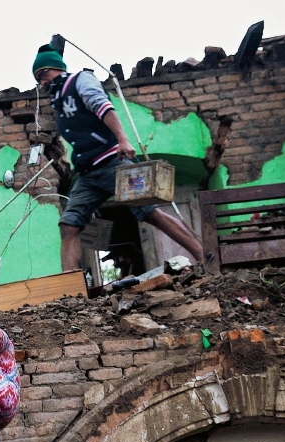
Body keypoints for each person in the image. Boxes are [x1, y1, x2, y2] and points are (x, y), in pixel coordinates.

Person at [32, 45, 206, 274]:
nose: (42, 83)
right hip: (86, 174)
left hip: (112, 162)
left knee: (149, 213)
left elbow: (103, 106)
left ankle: (203, 257)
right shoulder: (60, 103)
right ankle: (69, 288)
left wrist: (123, 140)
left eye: (43, 75)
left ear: (56, 68)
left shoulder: (81, 81)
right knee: (69, 225)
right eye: (38, 79)